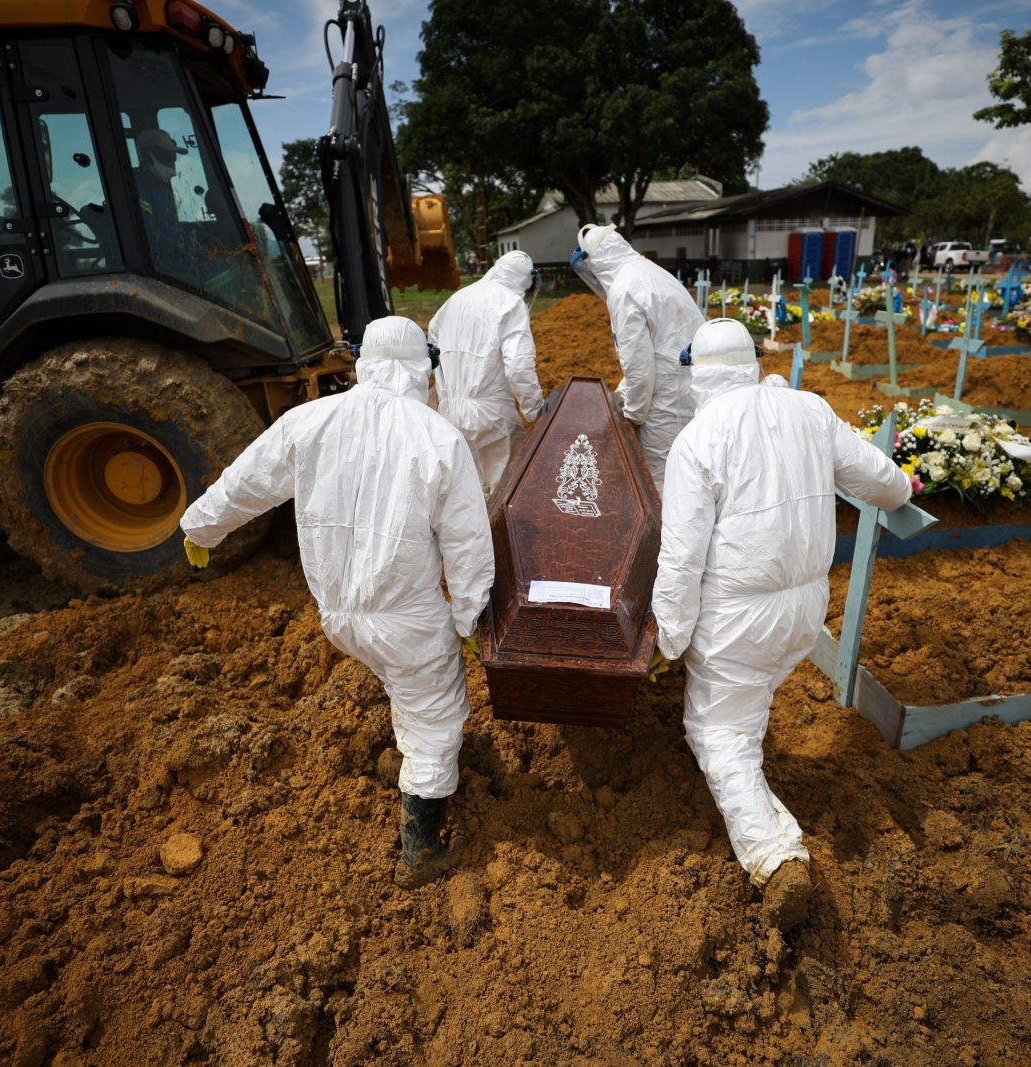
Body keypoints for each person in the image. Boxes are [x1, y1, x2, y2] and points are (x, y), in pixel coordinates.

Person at [180, 315, 493, 888]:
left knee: (396, 680)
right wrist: (473, 621)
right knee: (434, 716)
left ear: (364, 361)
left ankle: (413, 760)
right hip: (406, 619)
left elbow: (246, 482)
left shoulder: (309, 421)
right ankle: (421, 850)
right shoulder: (437, 437)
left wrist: (199, 528)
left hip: (335, 615)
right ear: (422, 367)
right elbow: (468, 543)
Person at [650, 318, 912, 930]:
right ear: (752, 361)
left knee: (715, 731)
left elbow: (681, 557)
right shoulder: (809, 410)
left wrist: (667, 639)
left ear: (698, 374)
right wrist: (904, 491)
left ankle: (774, 857)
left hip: (738, 617)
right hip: (804, 611)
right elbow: (879, 478)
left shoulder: (698, 439)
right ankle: (765, 793)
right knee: (751, 701)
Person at [571, 223, 704, 493]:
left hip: (666, 402)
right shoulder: (651, 272)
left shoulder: (624, 290)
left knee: (662, 486)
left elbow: (640, 368)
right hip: (690, 389)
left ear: (595, 262)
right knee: (690, 477)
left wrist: (630, 415)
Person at [427, 250, 546, 495]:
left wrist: (447, 394)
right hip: (492, 415)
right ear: (524, 280)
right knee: (507, 492)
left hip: (451, 413)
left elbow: (434, 346)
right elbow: (518, 367)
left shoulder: (455, 299)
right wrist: (535, 413)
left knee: (468, 495)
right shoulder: (510, 303)